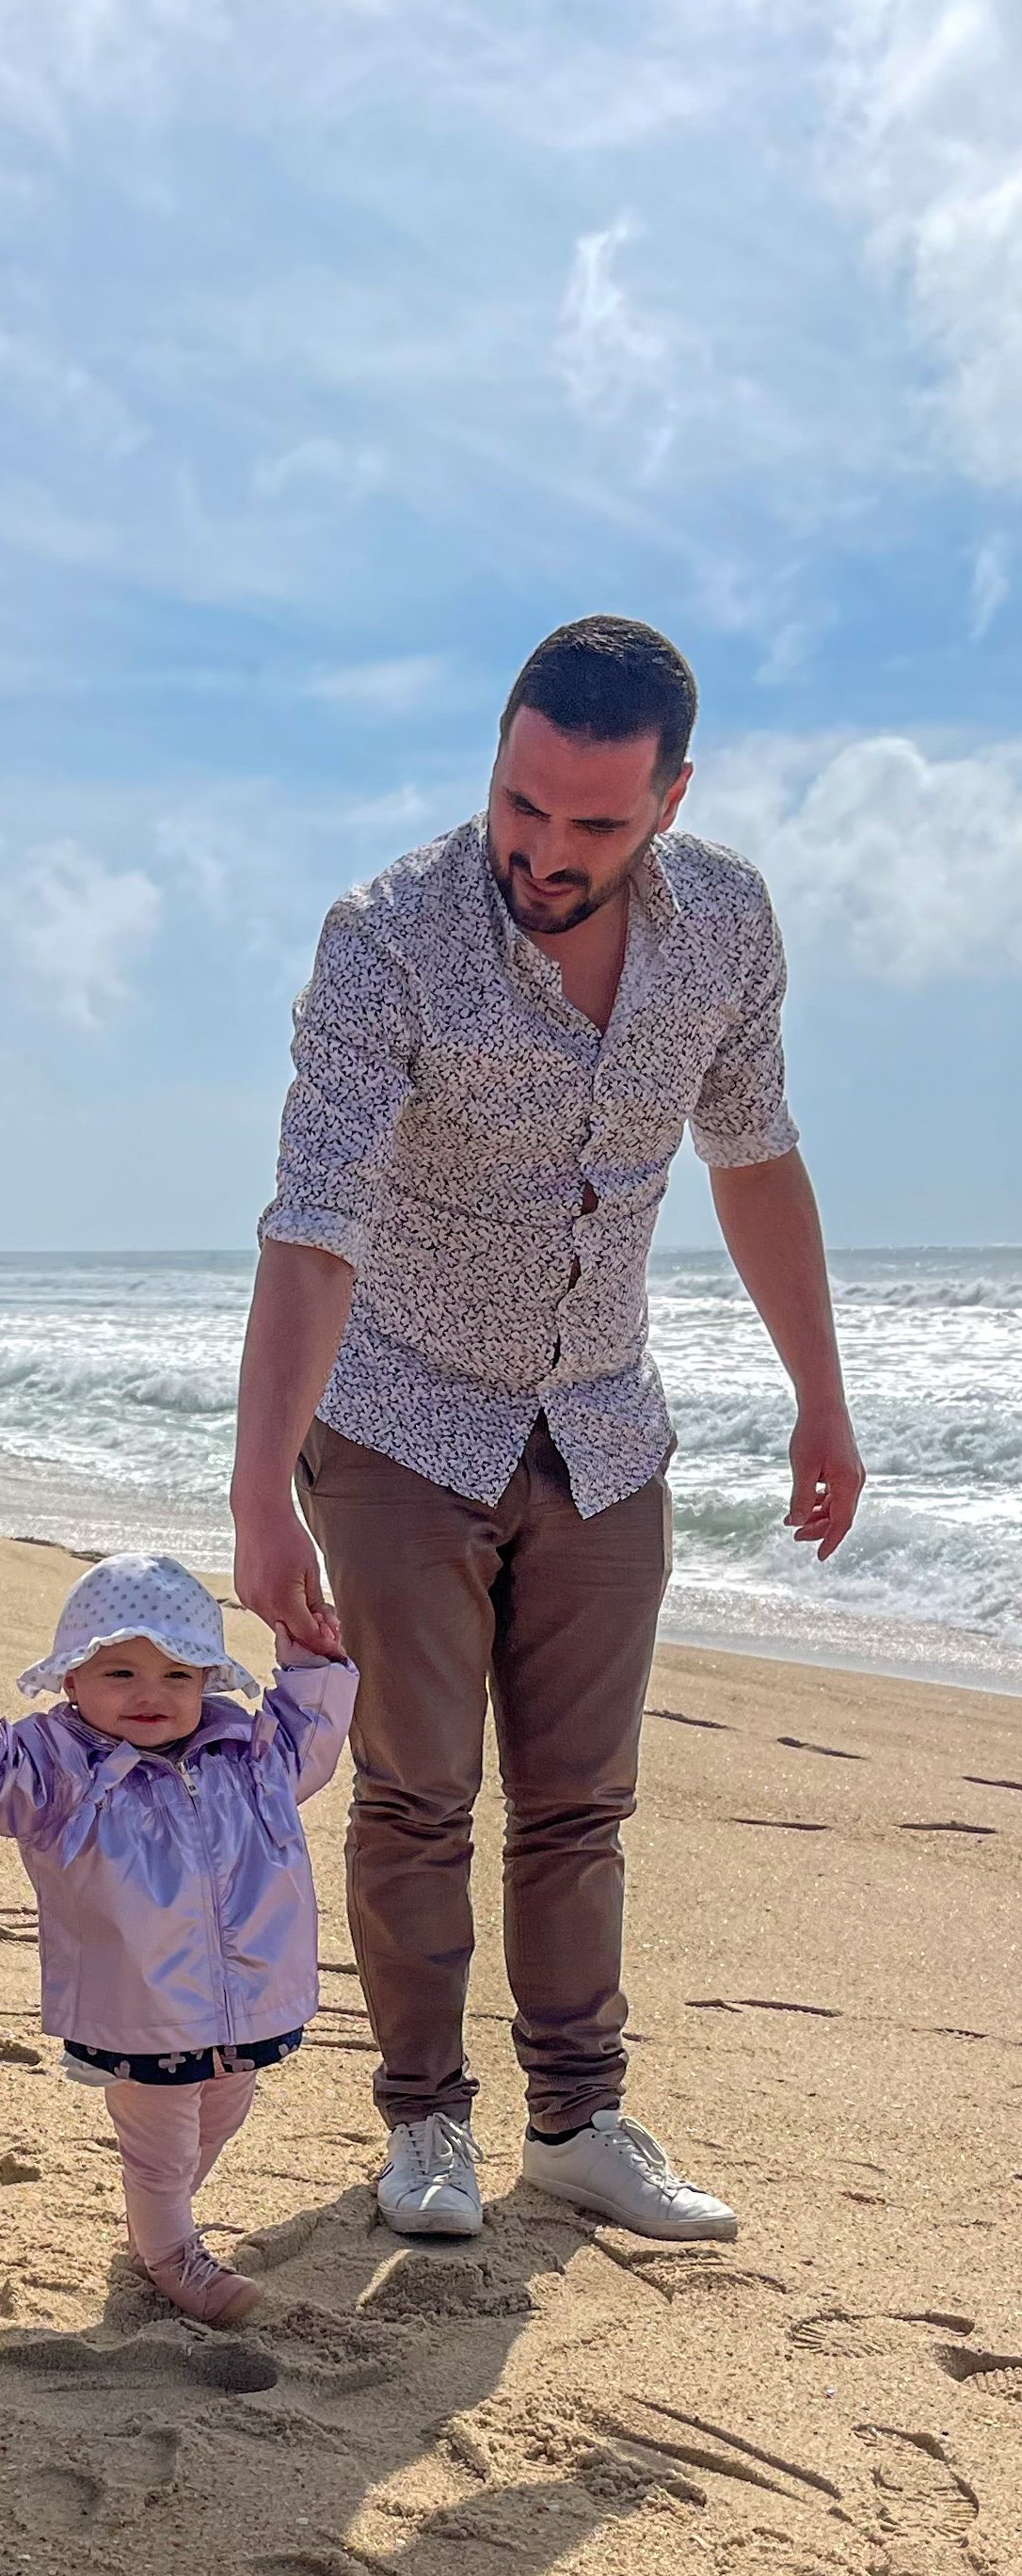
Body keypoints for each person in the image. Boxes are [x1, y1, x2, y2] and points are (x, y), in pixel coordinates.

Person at [231, 615, 864, 2248]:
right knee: (416, 1795)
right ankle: (423, 2126)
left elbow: (752, 1157)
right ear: (495, 761)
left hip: (602, 1418)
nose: (542, 849)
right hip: (395, 1415)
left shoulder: (721, 924)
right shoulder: (385, 938)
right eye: (520, 805)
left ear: (667, 798)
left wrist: (820, 1395)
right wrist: (259, 1493)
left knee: (579, 1806)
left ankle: (576, 2121)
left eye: (590, 821)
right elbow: (310, 1225)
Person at [0, 1553, 358, 2322]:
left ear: (209, 1684)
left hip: (245, 1996)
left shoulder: (251, 1756)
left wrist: (310, 1649)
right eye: (121, 1674)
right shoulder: (60, 1767)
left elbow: (314, 1731)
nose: (151, 1694)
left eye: (178, 1676)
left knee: (220, 2114)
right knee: (160, 2143)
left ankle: (157, 2220)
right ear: (72, 1682)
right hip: (137, 2003)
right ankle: (171, 2254)